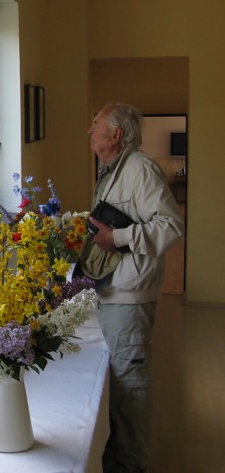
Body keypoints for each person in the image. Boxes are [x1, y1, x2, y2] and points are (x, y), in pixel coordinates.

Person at [84, 103, 184, 473]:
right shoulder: (111, 171)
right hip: (113, 291)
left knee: (130, 384)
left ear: (116, 135)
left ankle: (131, 465)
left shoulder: (140, 169)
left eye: (96, 124)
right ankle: (117, 455)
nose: (90, 131)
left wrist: (118, 238)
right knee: (118, 382)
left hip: (130, 295)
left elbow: (171, 226)